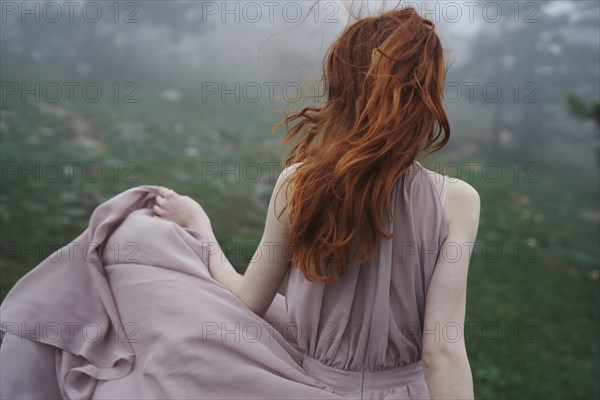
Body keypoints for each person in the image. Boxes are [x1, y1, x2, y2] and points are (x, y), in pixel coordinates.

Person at [0, 7, 479, 400]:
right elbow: (442, 351)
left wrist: (200, 229)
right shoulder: (457, 200)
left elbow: (249, 299)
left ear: (342, 86)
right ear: (427, 95)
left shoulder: (300, 183)